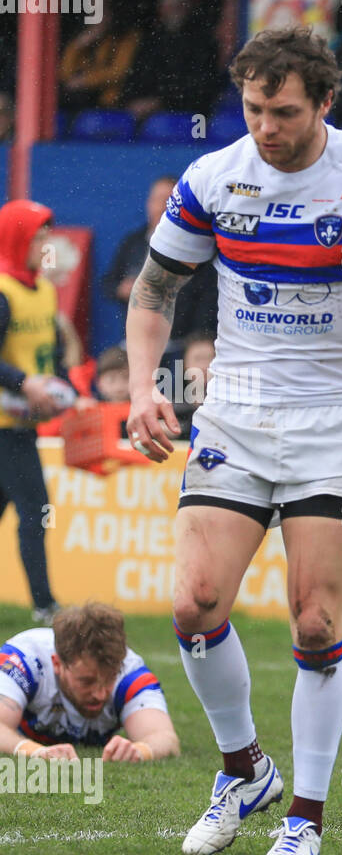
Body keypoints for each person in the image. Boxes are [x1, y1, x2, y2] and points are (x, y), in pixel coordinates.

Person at [125, 27, 342, 855]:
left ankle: (305, 817)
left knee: (314, 624)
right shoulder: (214, 177)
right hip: (235, 419)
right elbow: (155, 288)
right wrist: (141, 389)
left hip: (335, 427)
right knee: (193, 606)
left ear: (323, 104)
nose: (265, 127)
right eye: (252, 109)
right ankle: (244, 773)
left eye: (282, 112)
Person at [0, 199, 72, 625]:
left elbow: (53, 355)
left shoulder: (44, 290)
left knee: (22, 507)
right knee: (35, 507)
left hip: (23, 423)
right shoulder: (3, 293)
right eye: (38, 235)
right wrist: (24, 383)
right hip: (5, 426)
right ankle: (45, 606)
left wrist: (65, 389)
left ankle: (45, 604)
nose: (45, 243)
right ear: (16, 239)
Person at [0, 602, 179, 762]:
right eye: (87, 681)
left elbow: (165, 738)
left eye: (109, 679)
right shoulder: (22, 661)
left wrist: (140, 751)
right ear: (57, 664)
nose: (100, 694)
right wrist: (34, 751)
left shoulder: (129, 671)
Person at [102, 176, 218, 357]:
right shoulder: (132, 243)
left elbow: (208, 297)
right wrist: (122, 288)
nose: (162, 207)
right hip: (135, 345)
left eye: (168, 201)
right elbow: (108, 283)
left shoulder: (198, 247)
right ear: (148, 204)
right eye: (157, 200)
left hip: (181, 347)